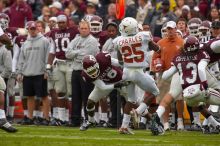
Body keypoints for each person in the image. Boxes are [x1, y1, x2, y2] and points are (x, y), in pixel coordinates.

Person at [151, 34, 220, 135]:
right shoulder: (202, 54)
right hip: (199, 89)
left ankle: (215, 124)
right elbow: (201, 69)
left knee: (197, 104)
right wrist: (205, 87)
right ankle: (211, 123)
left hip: (188, 97)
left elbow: (165, 76)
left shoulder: (178, 58)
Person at [113, 17, 160, 134]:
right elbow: (156, 48)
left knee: (131, 99)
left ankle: (124, 126)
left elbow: (120, 60)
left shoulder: (118, 40)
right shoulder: (143, 35)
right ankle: (138, 112)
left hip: (127, 72)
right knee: (155, 92)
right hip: (139, 71)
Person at [79, 52, 129, 131]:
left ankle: (148, 119)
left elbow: (120, 63)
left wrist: (128, 73)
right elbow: (103, 87)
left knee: (133, 101)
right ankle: (91, 121)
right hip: (106, 84)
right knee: (90, 102)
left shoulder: (102, 58)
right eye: (90, 72)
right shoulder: (85, 75)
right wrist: (116, 85)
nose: (94, 73)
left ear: (97, 64)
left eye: (93, 69)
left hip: (120, 79)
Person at [65, 20, 99, 127]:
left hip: (87, 71)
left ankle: (88, 119)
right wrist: (78, 53)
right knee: (75, 96)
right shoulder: (76, 39)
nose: (83, 30)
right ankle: (75, 119)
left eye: (86, 28)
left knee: (87, 97)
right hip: (75, 70)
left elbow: (87, 56)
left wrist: (75, 53)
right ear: (78, 29)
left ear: (89, 29)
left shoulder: (92, 40)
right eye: (82, 28)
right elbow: (67, 54)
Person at [47, 14, 78, 125]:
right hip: (59, 64)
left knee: (71, 92)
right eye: (59, 23)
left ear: (67, 22)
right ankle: (62, 118)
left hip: (70, 64)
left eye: (62, 22)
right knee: (60, 91)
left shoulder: (74, 31)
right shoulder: (54, 33)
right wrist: (48, 65)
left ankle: (74, 116)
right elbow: (52, 50)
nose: (60, 24)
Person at [17, 21, 50, 125]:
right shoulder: (25, 43)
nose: (33, 31)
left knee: (44, 96)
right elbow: (21, 59)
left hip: (40, 73)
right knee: (29, 96)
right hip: (27, 74)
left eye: (34, 28)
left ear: (38, 29)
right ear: (28, 30)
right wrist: (20, 72)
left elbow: (48, 56)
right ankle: (30, 117)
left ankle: (46, 118)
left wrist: (47, 70)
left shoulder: (45, 41)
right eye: (31, 29)